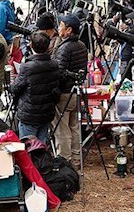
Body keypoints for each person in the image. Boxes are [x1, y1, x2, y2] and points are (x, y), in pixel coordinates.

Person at [12, 32, 60, 143]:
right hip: (46, 112)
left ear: (31, 45)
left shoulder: (27, 67)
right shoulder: (54, 64)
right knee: (41, 147)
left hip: (30, 114)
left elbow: (15, 88)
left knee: (28, 147)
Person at [52, 14, 88, 160]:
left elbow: (59, 71)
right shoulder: (81, 45)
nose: (58, 28)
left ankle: (64, 158)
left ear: (69, 30)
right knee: (74, 126)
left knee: (62, 129)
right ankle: (76, 155)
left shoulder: (64, 48)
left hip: (64, 93)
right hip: (76, 91)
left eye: (61, 25)